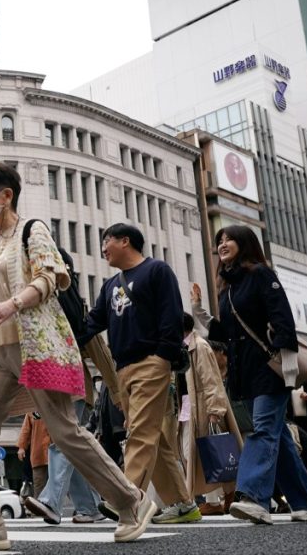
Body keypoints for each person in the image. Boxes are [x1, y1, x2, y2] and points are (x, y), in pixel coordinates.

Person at [0, 162, 153, 553]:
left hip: (35, 346)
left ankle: (132, 500)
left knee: (65, 432)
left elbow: (50, 277)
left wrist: (12, 304)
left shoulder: (31, 230)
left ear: (5, 195)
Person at [78, 223, 200, 525]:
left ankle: (126, 497)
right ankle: (184, 505)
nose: (103, 248)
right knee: (153, 436)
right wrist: (64, 339)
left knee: (140, 434)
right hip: (124, 369)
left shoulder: (157, 271)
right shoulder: (110, 286)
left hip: (151, 363)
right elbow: (93, 323)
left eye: (107, 241)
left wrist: (163, 356)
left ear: (125, 240)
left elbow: (171, 315)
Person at [202, 225, 307, 525]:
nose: (223, 244)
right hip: (247, 371)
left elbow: (282, 316)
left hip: (271, 368)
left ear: (245, 244)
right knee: (277, 436)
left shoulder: (260, 275)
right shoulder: (228, 287)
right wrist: (199, 313)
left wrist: (289, 363)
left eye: (229, 239)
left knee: (262, 429)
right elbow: (228, 334)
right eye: (219, 240)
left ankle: (253, 497)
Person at [180, 313, 242, 517]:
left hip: (202, 406)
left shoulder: (199, 346)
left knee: (209, 453)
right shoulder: (186, 346)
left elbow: (211, 378)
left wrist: (214, 409)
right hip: (189, 406)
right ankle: (219, 496)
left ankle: (218, 498)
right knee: (196, 454)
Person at [16, 412, 51, 499]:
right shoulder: (32, 410)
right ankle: (39, 509)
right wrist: (21, 447)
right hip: (38, 454)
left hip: (56, 454)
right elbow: (26, 429)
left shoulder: (57, 405)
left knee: (60, 483)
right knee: (39, 485)